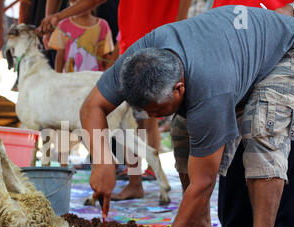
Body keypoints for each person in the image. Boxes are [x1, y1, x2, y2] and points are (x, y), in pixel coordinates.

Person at [79, 5, 294, 227]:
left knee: (262, 132)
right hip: (238, 49)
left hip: (288, 48)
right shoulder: (140, 58)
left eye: (157, 111)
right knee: (181, 131)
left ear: (180, 88)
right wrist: (103, 161)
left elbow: (204, 181)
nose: (153, 117)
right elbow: (92, 107)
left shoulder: (209, 89)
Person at [39, 0, 191, 199]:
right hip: (137, 49)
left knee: (141, 124)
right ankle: (135, 181)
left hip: (157, 51)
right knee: (133, 125)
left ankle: (145, 182)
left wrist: (59, 15)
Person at [211, 0, 294, 227]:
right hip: (229, 34)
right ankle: (236, 225)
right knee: (233, 128)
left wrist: (291, 10)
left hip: (282, 33)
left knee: (275, 129)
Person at [48, 0, 114, 72]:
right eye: (76, 2)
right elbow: (60, 55)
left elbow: (105, 56)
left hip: (94, 79)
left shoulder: (103, 25)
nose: (80, 5)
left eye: (82, 2)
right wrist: (58, 77)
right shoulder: (63, 25)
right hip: (70, 79)